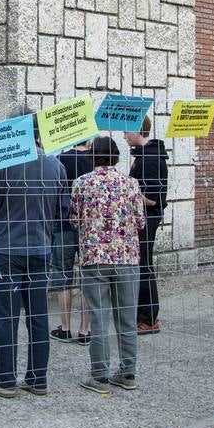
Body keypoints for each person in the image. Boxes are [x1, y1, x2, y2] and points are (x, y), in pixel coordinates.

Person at [0, 109, 68, 398]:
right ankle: (38, 379)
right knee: (39, 315)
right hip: (40, 249)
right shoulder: (55, 166)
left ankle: (6, 380)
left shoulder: (0, 164)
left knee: (7, 317)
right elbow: (63, 212)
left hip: (7, 249)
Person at [73, 135, 146, 395]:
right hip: (127, 258)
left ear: (91, 156)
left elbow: (74, 219)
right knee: (126, 318)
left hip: (94, 258)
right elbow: (140, 222)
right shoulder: (131, 184)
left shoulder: (82, 183)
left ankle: (100, 375)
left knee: (99, 317)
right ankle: (128, 372)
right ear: (116, 156)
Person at [126, 116, 169, 335]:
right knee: (140, 264)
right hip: (141, 216)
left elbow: (154, 198)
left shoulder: (151, 158)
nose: (124, 135)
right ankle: (142, 313)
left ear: (137, 131)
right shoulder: (143, 155)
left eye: (127, 131)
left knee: (144, 265)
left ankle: (149, 317)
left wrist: (129, 192)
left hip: (148, 216)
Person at [51, 141, 93, 344]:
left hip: (63, 224)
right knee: (89, 275)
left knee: (62, 273)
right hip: (89, 227)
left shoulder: (60, 160)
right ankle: (85, 330)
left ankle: (65, 328)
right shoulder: (95, 159)